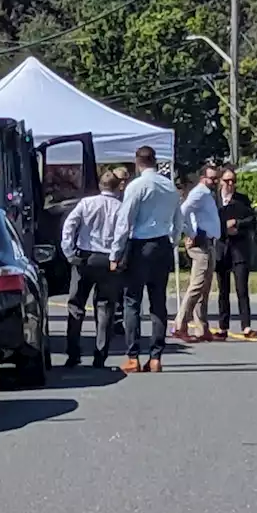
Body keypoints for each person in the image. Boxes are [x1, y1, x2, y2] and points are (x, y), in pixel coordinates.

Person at [109, 146, 184, 374]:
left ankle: (133, 356)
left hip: (140, 245)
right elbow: (178, 219)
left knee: (132, 301)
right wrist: (173, 241)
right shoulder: (169, 186)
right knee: (158, 302)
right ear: (155, 161)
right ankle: (156, 357)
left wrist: (116, 253)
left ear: (137, 162)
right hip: (162, 243)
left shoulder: (137, 186)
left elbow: (125, 222)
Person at [60, 169, 124, 368]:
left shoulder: (86, 203)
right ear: (116, 187)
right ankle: (100, 354)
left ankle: (73, 353)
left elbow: (69, 225)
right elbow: (123, 233)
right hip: (108, 260)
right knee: (104, 307)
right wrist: (118, 255)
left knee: (76, 306)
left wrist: (68, 250)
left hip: (85, 258)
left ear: (100, 185)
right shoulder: (121, 208)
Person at [172, 164, 221, 342]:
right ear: (202, 178)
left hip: (209, 243)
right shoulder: (199, 193)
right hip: (201, 243)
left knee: (205, 287)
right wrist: (190, 233)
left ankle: (202, 327)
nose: (214, 182)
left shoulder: (208, 195)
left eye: (216, 178)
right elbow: (183, 211)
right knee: (197, 285)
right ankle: (180, 324)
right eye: (211, 178)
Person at [214, 168, 257, 339]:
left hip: (239, 250)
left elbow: (252, 219)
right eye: (226, 181)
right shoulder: (214, 201)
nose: (230, 184)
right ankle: (223, 327)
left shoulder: (242, 200)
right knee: (223, 291)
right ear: (220, 182)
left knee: (242, 289)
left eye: (233, 181)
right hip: (221, 249)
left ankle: (246, 326)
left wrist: (237, 223)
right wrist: (224, 228)